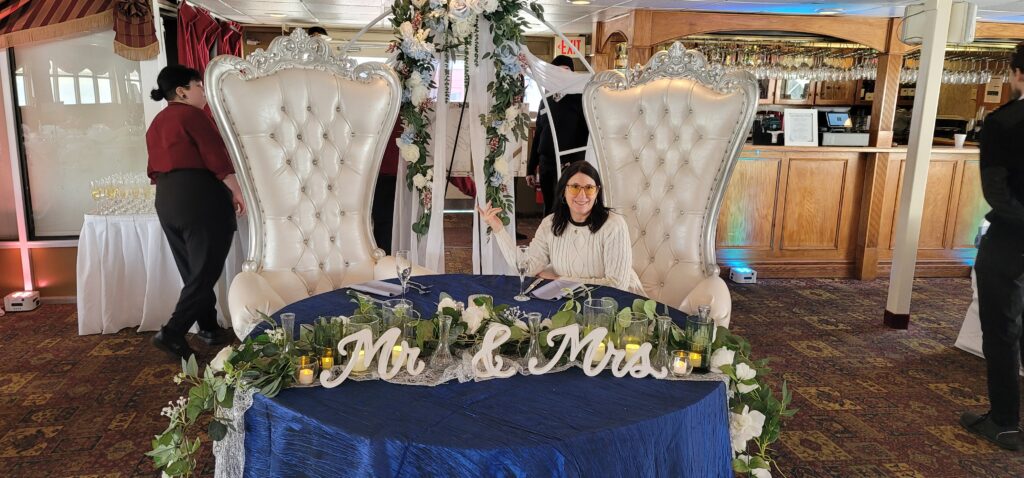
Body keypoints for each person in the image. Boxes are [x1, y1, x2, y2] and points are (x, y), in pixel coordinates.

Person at [146, 65, 246, 361]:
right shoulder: (192, 116)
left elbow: (152, 169)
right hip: (199, 196)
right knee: (204, 271)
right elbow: (216, 158)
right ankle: (173, 331)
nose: (203, 91)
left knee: (193, 269)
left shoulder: (157, 122)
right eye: (199, 86)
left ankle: (209, 326)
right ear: (182, 91)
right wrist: (237, 191)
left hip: (166, 197)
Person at [959, 42, 1024, 451]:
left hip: (1010, 239)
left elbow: (996, 192)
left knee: (1001, 331)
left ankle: (1004, 422)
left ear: (1018, 74)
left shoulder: (1004, 122)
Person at [478, 161, 644, 295]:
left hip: (616, 305)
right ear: (563, 191)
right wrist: (498, 228)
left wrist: (560, 280)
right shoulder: (550, 223)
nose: (582, 195)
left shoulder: (614, 225)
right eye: (574, 187)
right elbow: (527, 268)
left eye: (589, 188)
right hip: (568, 301)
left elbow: (616, 285)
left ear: (597, 192)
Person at [527, 55, 589, 215]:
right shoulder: (546, 99)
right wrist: (531, 168)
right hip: (547, 162)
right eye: (558, 71)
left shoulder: (580, 99)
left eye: (566, 71)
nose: (562, 75)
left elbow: (585, 134)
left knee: (566, 205)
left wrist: (574, 160)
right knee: (549, 206)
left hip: (568, 163)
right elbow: (539, 133)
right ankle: (548, 239)